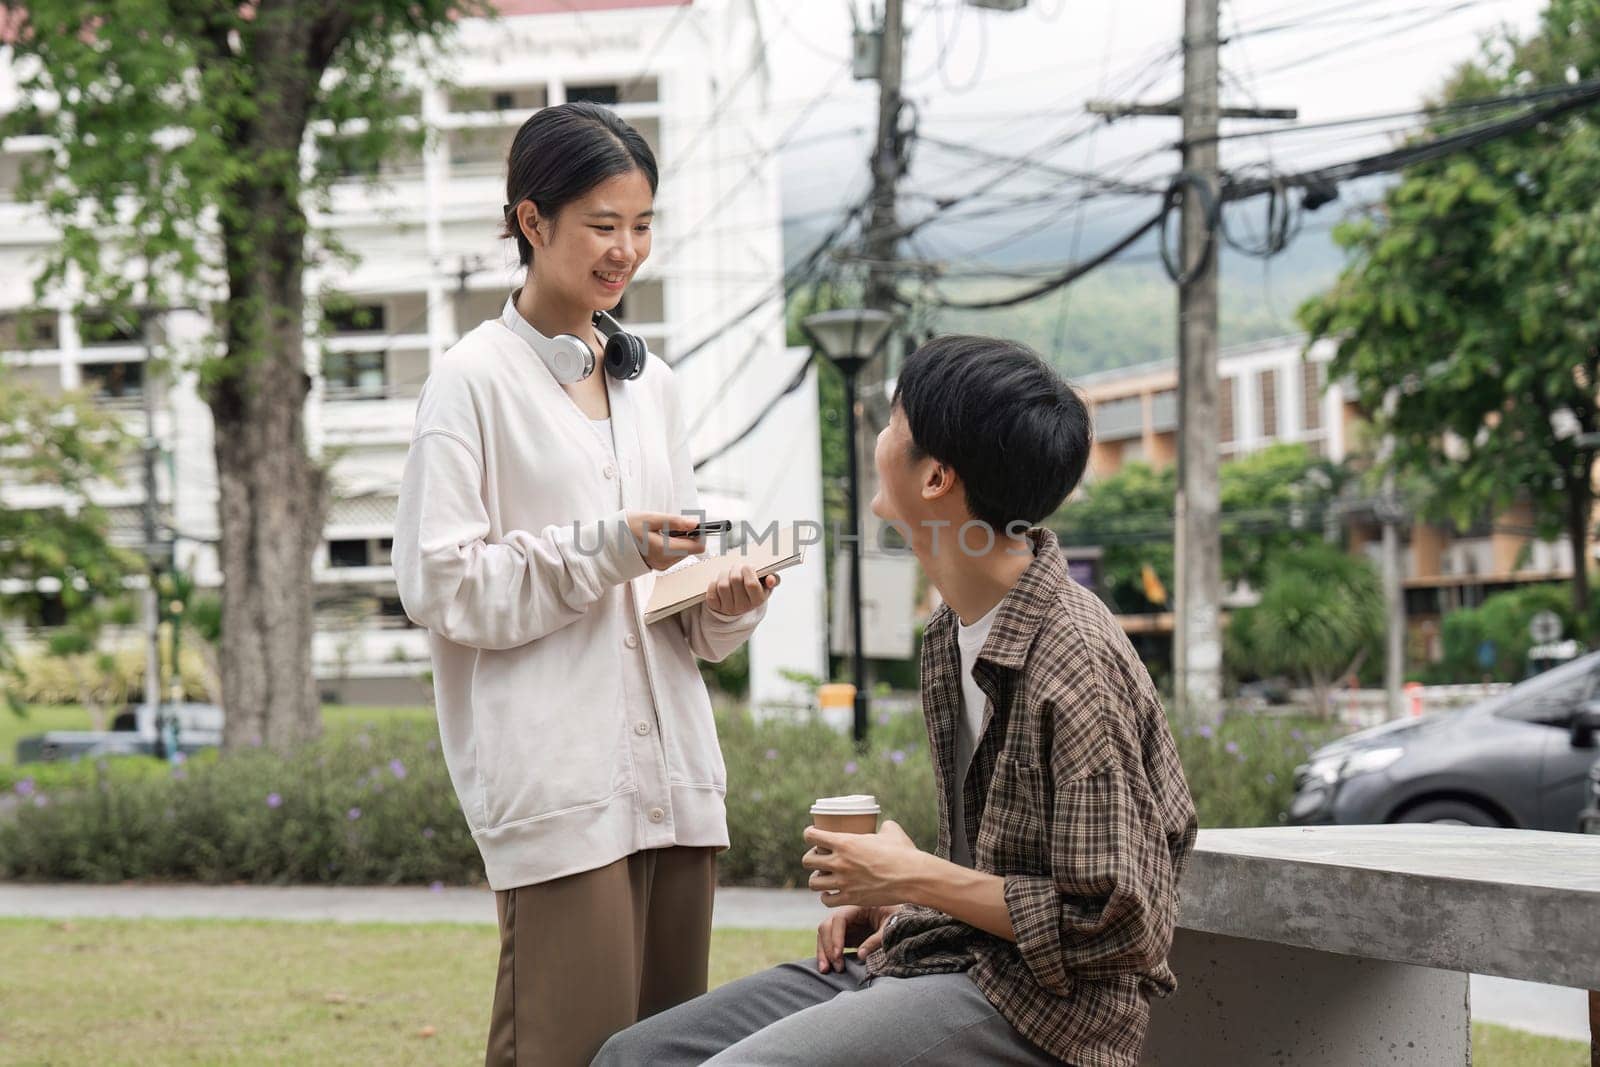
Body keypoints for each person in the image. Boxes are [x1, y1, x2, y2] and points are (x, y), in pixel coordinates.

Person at [596, 335, 1197, 1066]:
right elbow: (1003, 872)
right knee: (637, 1055)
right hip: (945, 954)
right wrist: (910, 894)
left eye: (893, 425)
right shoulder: (952, 628)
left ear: (937, 477)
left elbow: (1117, 925)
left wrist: (911, 876)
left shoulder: (1074, 660)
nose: (880, 439)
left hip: (1043, 1012)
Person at [391, 102, 777, 1066]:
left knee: (665, 1055)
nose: (626, 251)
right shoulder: (470, 382)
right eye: (604, 225)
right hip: (560, 787)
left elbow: (661, 598)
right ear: (533, 221)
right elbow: (438, 583)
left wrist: (723, 603)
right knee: (563, 1052)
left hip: (676, 780)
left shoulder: (659, 386)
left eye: (642, 225)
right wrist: (608, 547)